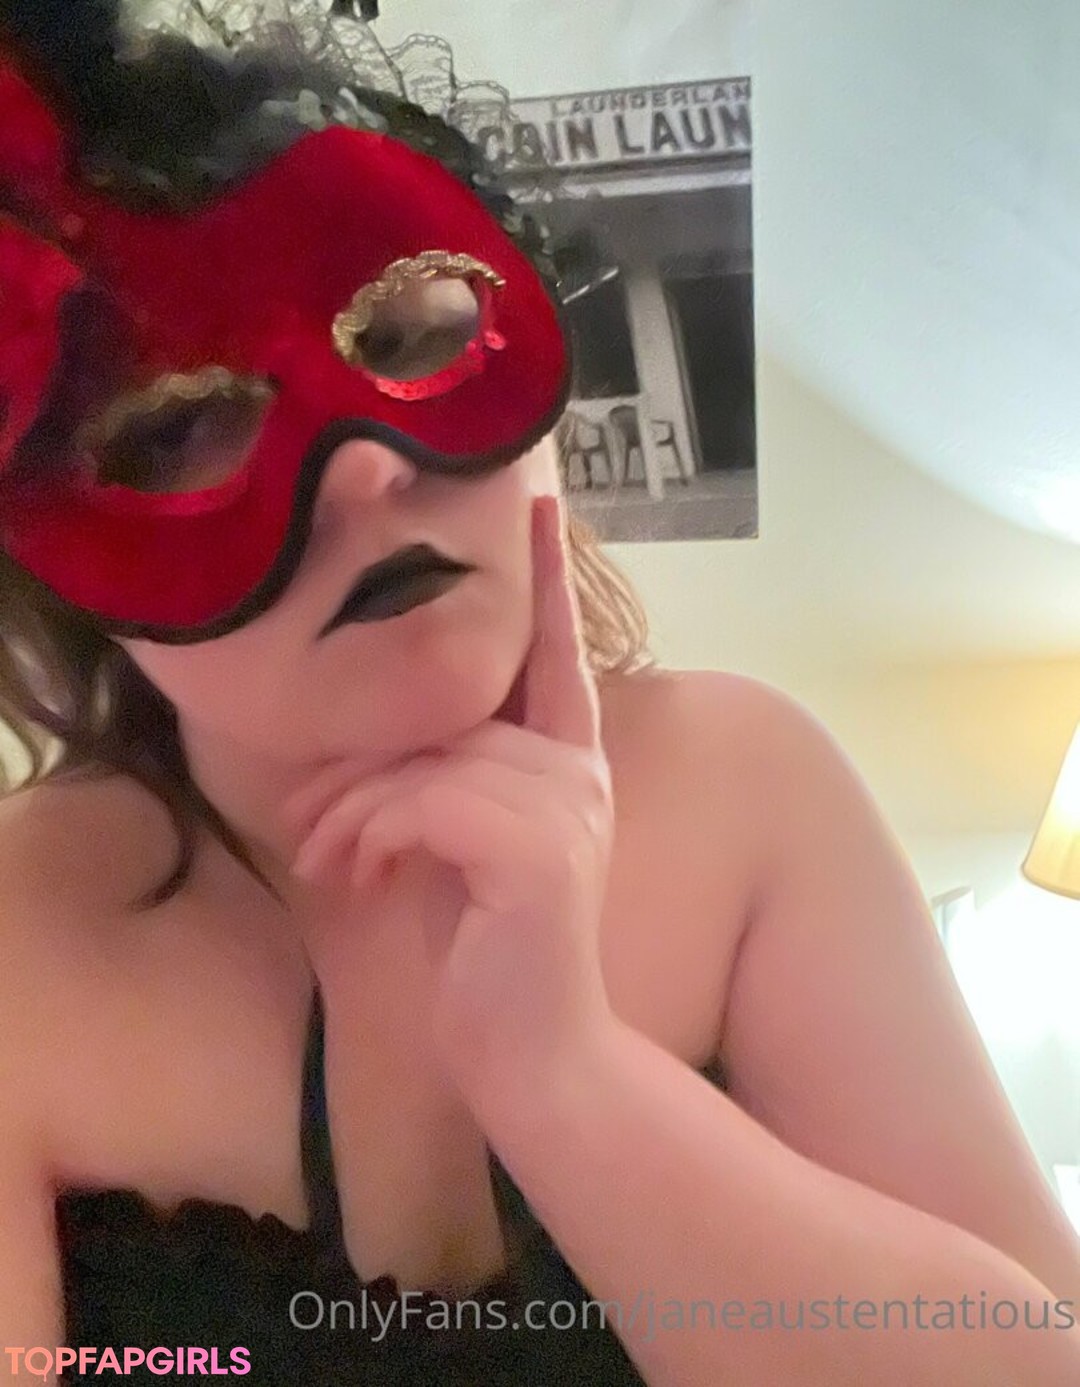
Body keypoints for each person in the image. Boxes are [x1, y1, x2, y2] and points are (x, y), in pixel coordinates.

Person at [0, 2, 1077, 1384]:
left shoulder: (750, 793)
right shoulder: (26, 936)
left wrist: (569, 1076)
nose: (370, 465)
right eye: (181, 428)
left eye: (412, 337)